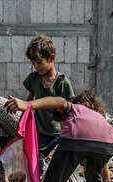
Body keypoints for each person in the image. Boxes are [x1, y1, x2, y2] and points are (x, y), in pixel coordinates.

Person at [23, 33, 74, 170]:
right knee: (35, 160)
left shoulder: (62, 83)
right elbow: (29, 102)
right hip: (40, 131)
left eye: (39, 62)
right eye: (33, 63)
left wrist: (67, 136)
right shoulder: (34, 79)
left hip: (57, 132)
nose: (36, 67)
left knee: (60, 163)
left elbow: (69, 112)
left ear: (51, 58)